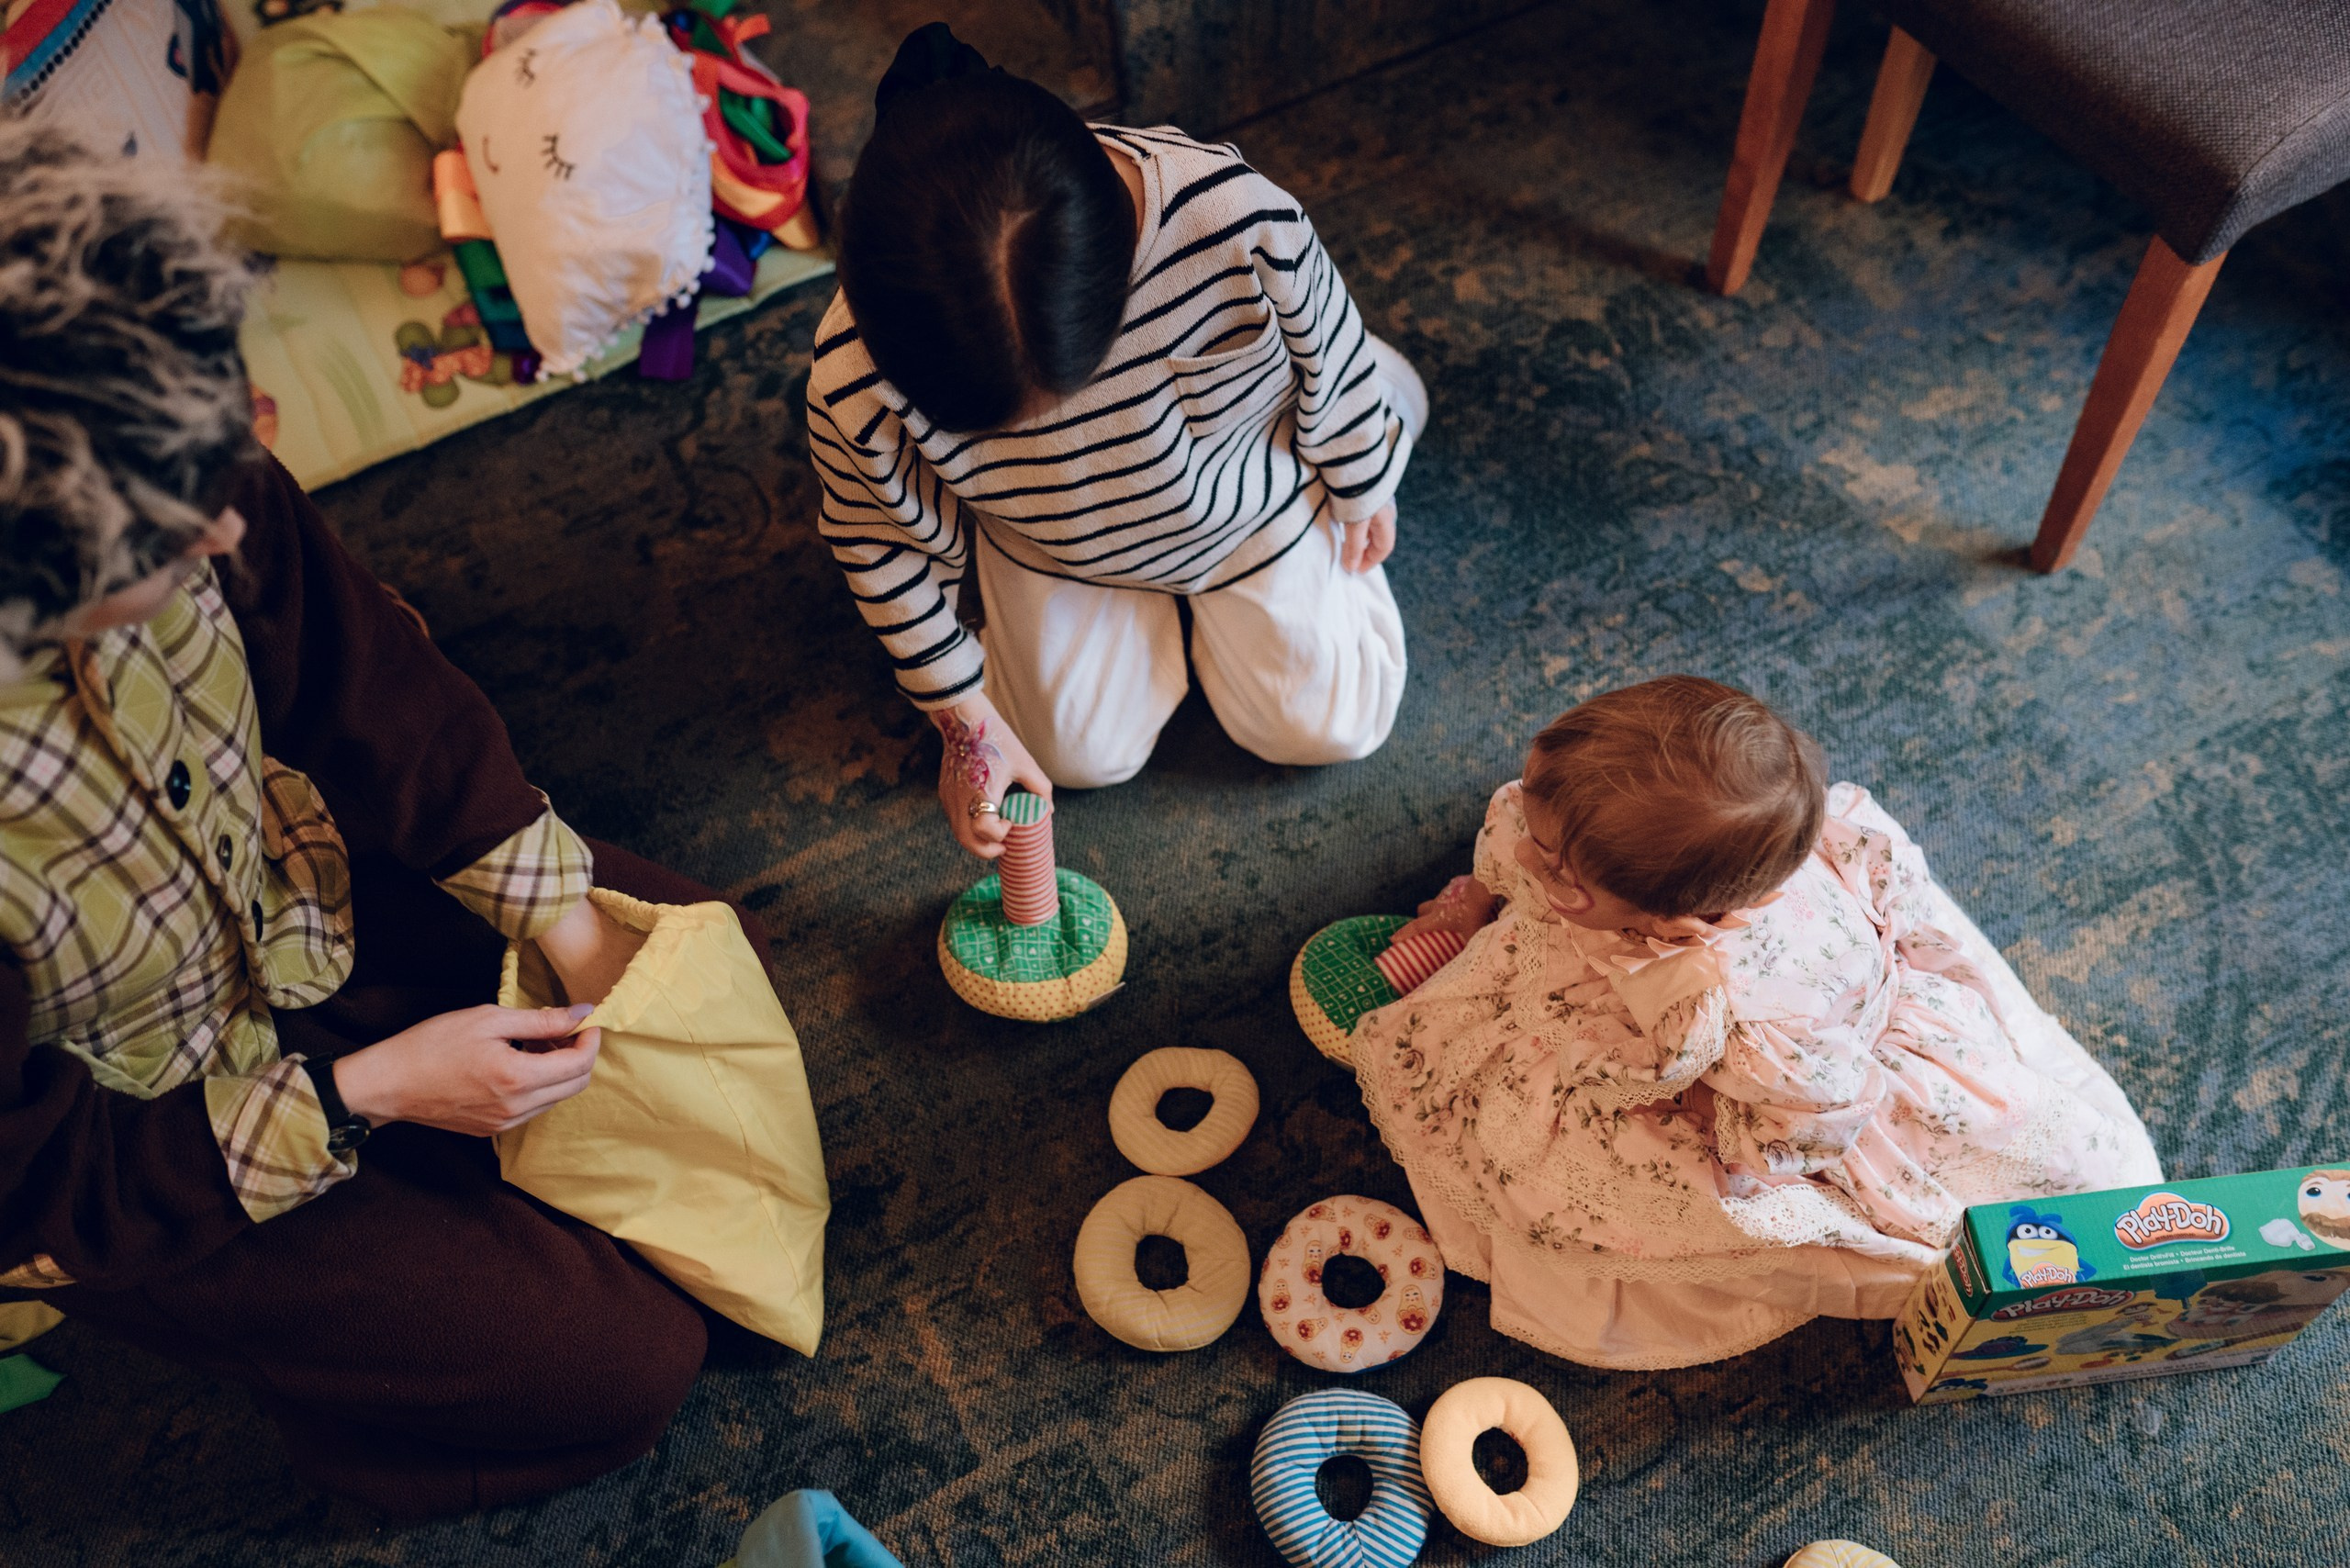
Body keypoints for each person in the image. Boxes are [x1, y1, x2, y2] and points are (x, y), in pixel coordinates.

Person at [0, 121, 754, 1516]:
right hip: (131, 1136)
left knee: (679, 953)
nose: (226, 536)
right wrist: (371, 1095)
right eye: (170, 552)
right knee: (622, 1364)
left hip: (291, 896)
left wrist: (559, 913)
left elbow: (360, 674)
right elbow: (42, 1186)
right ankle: (350, 1428)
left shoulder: (166, 445)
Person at [1350, 676, 2162, 1369]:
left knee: (1605, 1165)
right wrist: (1478, 906)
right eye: (1536, 812)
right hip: (1699, 970)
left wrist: (1702, 1109)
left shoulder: (1743, 1015)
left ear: (1674, 914)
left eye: (1555, 862)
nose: (1528, 851)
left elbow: (1796, 1131)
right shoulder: (1572, 838)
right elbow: (1516, 832)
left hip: (1804, 1065)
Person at [807, 25, 1427, 858]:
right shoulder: (850, 368)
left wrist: (1361, 479)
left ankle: (1395, 392)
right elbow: (874, 541)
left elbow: (1328, 339)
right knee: (1075, 757)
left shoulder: (1233, 215)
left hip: (1246, 500)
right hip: (1052, 540)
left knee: (1333, 725)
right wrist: (961, 722)